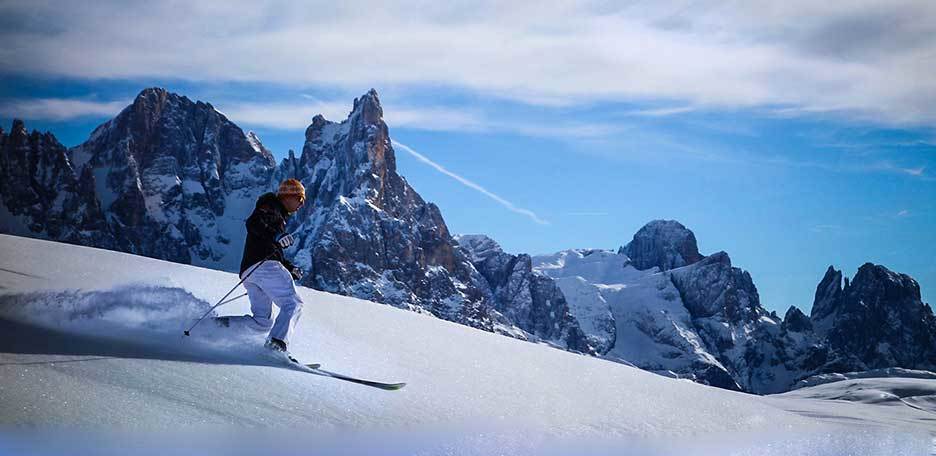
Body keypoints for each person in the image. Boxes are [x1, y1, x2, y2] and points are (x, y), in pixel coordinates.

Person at [219, 178, 307, 355]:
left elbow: (270, 247)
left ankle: (216, 327)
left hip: (250, 271)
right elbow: (254, 224)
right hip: (264, 267)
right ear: (289, 196)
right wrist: (275, 238)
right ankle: (276, 345)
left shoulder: (275, 212)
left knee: (262, 322)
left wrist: (289, 268)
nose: (301, 205)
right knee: (293, 303)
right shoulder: (270, 206)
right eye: (300, 199)